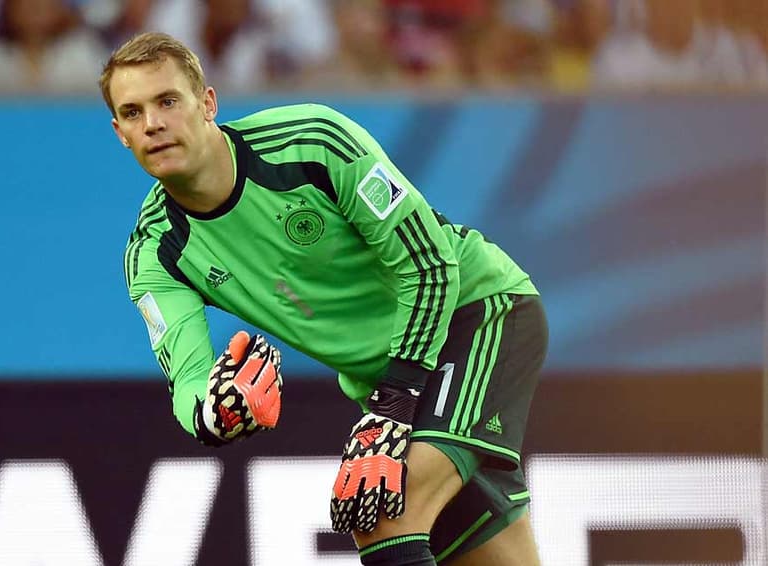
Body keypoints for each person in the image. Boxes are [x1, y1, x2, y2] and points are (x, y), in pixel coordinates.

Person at [102, 31, 548, 566]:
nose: (152, 123)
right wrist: (213, 414)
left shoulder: (314, 141)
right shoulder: (155, 252)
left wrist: (395, 405)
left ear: (208, 104)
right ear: (120, 133)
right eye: (132, 112)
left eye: (167, 101)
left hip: (477, 316)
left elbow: (429, 264)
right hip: (390, 380)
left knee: (381, 510)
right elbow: (188, 381)